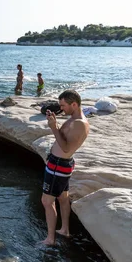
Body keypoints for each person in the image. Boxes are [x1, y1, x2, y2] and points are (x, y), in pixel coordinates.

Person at [41, 90, 90, 246]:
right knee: (62, 198)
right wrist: (55, 123)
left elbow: (67, 148)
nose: (61, 109)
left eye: (63, 105)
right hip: (60, 164)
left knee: (47, 201)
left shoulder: (79, 124)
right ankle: (64, 230)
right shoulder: (74, 120)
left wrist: (54, 127)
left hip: (58, 165)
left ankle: (50, 239)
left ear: (74, 104)